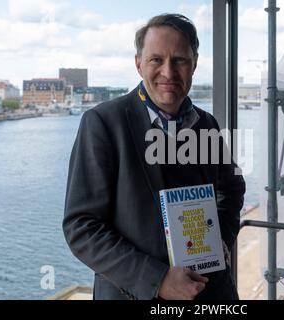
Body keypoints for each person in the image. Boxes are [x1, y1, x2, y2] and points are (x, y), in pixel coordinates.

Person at [63, 13, 245, 300]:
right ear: (139, 64)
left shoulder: (206, 123)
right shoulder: (104, 124)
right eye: (156, 60)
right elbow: (81, 227)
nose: (168, 73)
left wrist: (220, 236)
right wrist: (157, 280)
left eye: (180, 60)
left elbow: (232, 187)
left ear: (194, 63)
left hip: (212, 293)